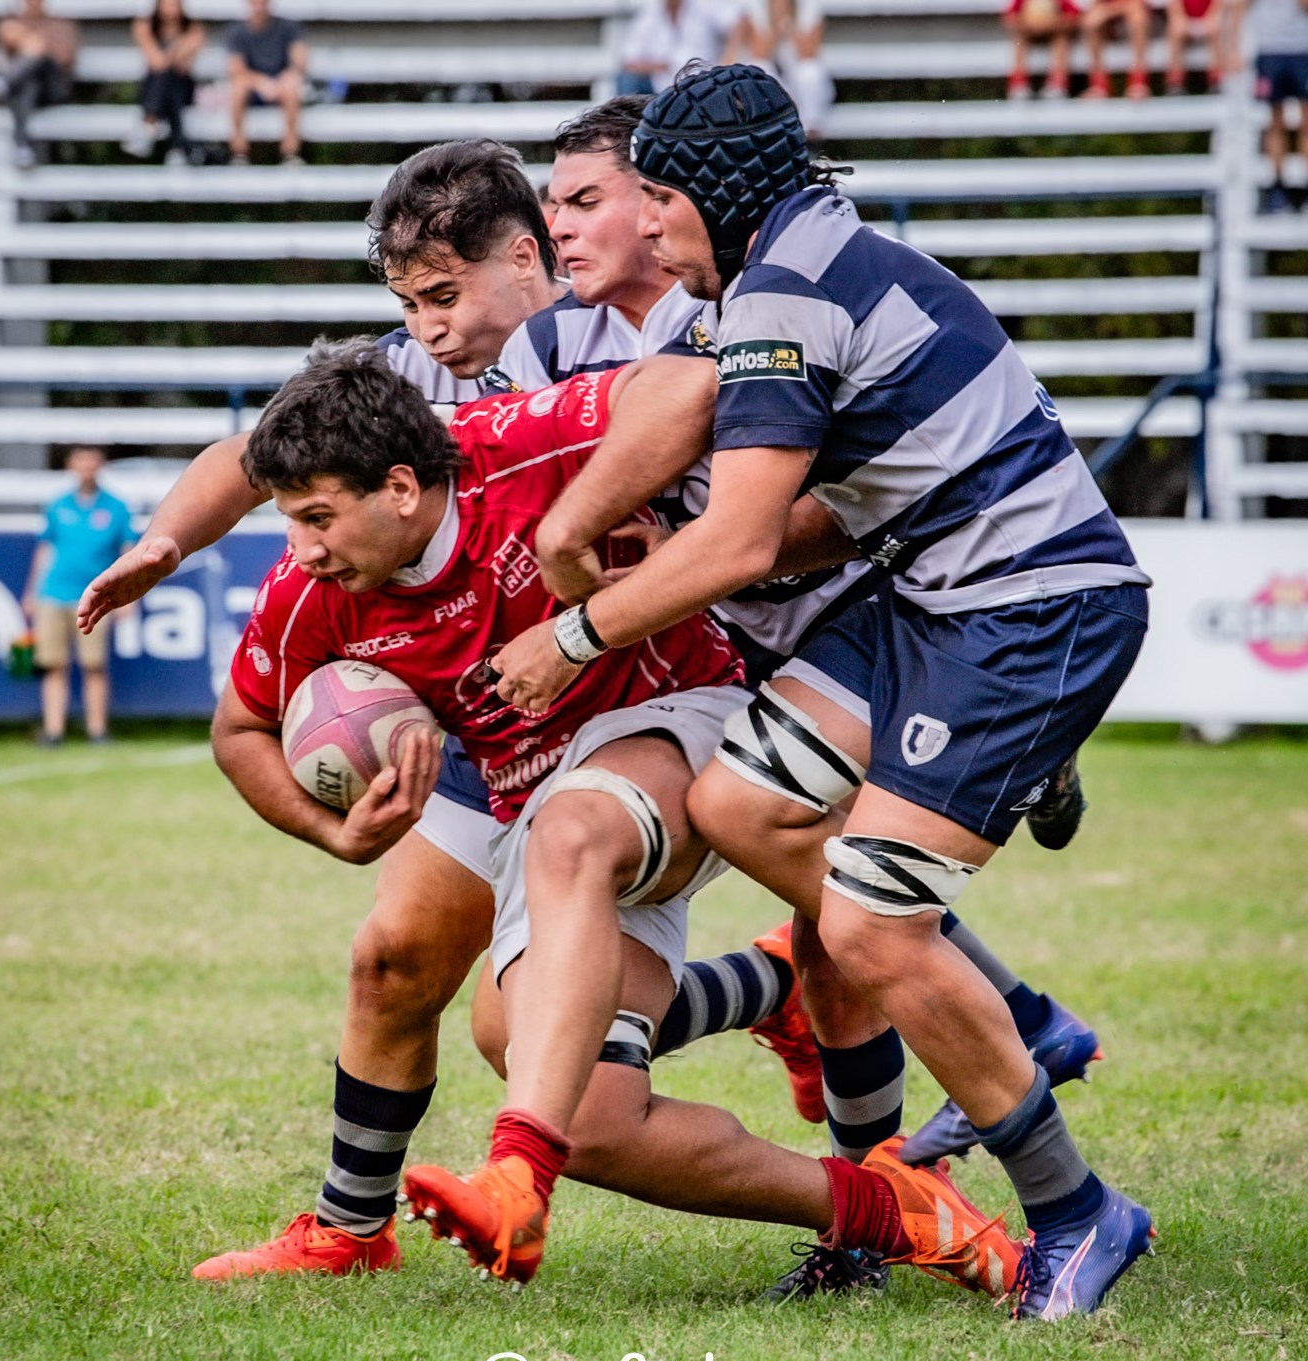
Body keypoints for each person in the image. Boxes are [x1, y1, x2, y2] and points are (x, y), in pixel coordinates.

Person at [79, 138, 830, 1284]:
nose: (425, 326)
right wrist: (163, 543)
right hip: (489, 721)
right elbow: (248, 454)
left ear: (527, 258)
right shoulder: (403, 387)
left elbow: (727, 437)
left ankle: (883, 1050)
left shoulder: (629, 329)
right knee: (396, 962)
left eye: (442, 296)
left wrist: (581, 536)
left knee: (861, 918)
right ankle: (348, 1228)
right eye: (407, 303)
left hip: (649, 685)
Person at [491, 64, 1157, 1320]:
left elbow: (741, 543)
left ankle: (1077, 1210)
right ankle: (1019, 1014)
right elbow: (816, 526)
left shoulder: (780, 300)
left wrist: (574, 631)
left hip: (1024, 613)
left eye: (663, 199)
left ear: (716, 196)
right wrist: (652, 561)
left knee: (864, 931)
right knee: (738, 803)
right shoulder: (797, 263)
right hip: (928, 595)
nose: (651, 223)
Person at [213, 336, 1023, 1299]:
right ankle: (890, 1207)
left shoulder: (512, 445)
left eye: (316, 518)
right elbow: (239, 728)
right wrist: (335, 832)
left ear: (398, 487)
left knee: (573, 833)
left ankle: (515, 1172)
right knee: (582, 1109)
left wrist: (571, 538)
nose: (300, 548)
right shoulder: (308, 593)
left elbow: (685, 381)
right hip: (523, 787)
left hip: (683, 717)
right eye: (288, 522)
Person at [21, 448, 133, 745]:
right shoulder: (58, 506)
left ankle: (97, 730)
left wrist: (129, 597)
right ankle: (53, 730)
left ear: (101, 466)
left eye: (92, 462)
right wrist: (32, 591)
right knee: (53, 665)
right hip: (54, 593)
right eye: (80, 462)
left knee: (94, 665)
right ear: (71, 466)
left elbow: (126, 552)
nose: (86, 468)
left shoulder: (116, 507)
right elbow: (45, 549)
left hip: (94, 596)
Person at [1249, 0, 1308, 214]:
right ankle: (1277, 190)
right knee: (1275, 122)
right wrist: (1232, 47)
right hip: (1269, 47)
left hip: (1303, 47)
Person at [726, 0, 835, 141]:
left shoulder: (810, 6)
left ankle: (810, 134)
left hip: (797, 77)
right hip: (773, 71)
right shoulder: (753, 6)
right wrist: (775, 23)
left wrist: (790, 24)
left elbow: (808, 52)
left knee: (809, 71)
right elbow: (760, 52)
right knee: (761, 67)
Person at [0, 0, 78, 170]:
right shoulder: (12, 21)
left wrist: (40, 44)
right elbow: (3, 42)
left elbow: (66, 58)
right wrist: (30, 41)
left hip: (53, 85)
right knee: (29, 84)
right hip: (26, 86)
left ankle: (6, 83)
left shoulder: (59, 23)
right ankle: (22, 147)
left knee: (38, 50)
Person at [224, 0, 305, 166]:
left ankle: (290, 152)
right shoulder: (237, 31)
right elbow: (235, 69)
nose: (259, 7)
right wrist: (260, 82)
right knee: (237, 88)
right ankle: (239, 152)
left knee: (291, 86)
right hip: (252, 87)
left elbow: (300, 61)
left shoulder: (288, 27)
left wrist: (285, 78)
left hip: (281, 86)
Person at [124, 0, 204, 164]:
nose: (172, 8)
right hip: (160, 89)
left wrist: (171, 58)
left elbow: (165, 62)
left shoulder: (194, 28)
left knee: (169, 78)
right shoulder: (145, 26)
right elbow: (157, 62)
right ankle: (178, 146)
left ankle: (149, 122)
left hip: (181, 89)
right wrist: (177, 53)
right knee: (166, 77)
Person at [617, 0, 733, 95]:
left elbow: (741, 23)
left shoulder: (705, 6)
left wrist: (727, 63)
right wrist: (658, 66)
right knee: (626, 79)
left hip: (702, 81)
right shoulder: (650, 12)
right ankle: (629, 122)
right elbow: (628, 59)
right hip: (662, 85)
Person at [1003, 0, 1082, 99]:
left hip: (1055, 31)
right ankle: (1019, 83)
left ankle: (1057, 83)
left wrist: (1054, 24)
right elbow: (1009, 18)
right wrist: (1028, 25)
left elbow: (1074, 17)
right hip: (1030, 33)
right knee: (1019, 39)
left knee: (1061, 40)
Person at [1080, 0, 1153, 98]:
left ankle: (1138, 82)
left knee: (1139, 19)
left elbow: (1138, 4)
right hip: (1108, 8)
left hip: (1133, 7)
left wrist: (1113, 10)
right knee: (1091, 22)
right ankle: (1099, 85)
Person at [1162, 0, 1235, 93]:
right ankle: (1175, 78)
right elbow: (1174, 5)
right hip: (1185, 19)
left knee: (1215, 28)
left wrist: (1211, 17)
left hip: (1207, 18)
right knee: (1175, 28)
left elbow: (1217, 4)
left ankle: (1215, 78)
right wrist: (1180, 17)